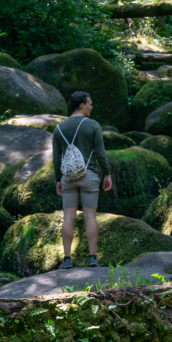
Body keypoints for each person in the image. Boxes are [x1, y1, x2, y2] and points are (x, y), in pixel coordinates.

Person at [53, 91, 112, 269]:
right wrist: (107, 174)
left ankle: (68, 259)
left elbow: (57, 157)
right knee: (90, 217)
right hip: (90, 176)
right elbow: (100, 154)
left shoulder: (59, 128)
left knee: (68, 218)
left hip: (69, 178)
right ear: (81, 105)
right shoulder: (93, 125)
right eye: (90, 103)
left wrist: (58, 179)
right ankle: (92, 258)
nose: (91, 107)